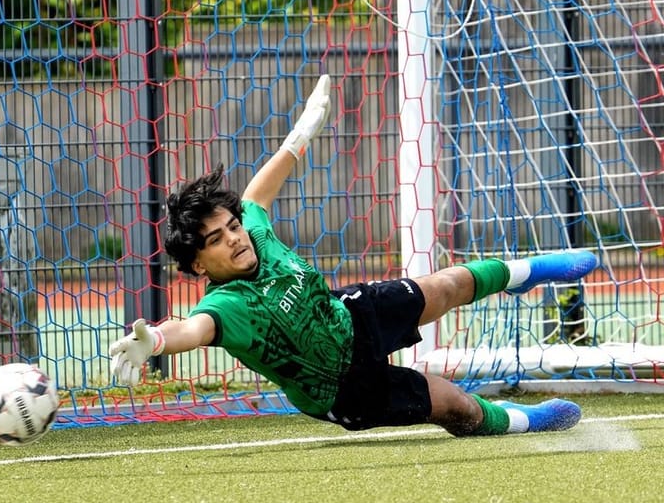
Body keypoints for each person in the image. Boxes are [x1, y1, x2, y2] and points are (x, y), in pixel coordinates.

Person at [109, 74, 598, 436]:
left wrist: (303, 131)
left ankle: (529, 272)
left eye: (231, 227)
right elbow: (191, 330)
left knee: (446, 285)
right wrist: (154, 342)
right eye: (216, 239)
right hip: (341, 387)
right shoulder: (226, 308)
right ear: (197, 264)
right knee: (455, 405)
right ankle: (527, 422)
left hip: (347, 316)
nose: (234, 238)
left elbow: (257, 195)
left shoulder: (251, 232)